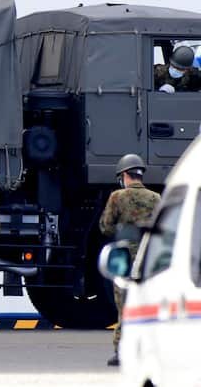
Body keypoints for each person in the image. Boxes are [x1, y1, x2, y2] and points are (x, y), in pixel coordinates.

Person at [98, 153, 160, 367]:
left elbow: (105, 227)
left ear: (124, 174)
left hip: (124, 259)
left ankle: (121, 351)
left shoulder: (117, 197)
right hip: (148, 261)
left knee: (124, 306)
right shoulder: (155, 198)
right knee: (148, 305)